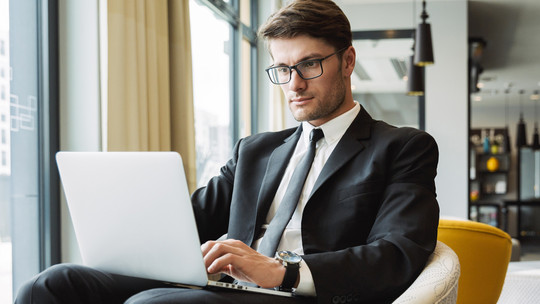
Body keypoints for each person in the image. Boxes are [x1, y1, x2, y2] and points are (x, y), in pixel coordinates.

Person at [15, 0, 439, 303]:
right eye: (283, 69)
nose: (294, 84)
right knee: (51, 284)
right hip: (223, 287)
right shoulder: (256, 151)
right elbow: (188, 223)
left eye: (310, 65)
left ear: (347, 61)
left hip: (301, 295)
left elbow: (398, 253)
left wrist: (281, 272)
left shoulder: (402, 147)